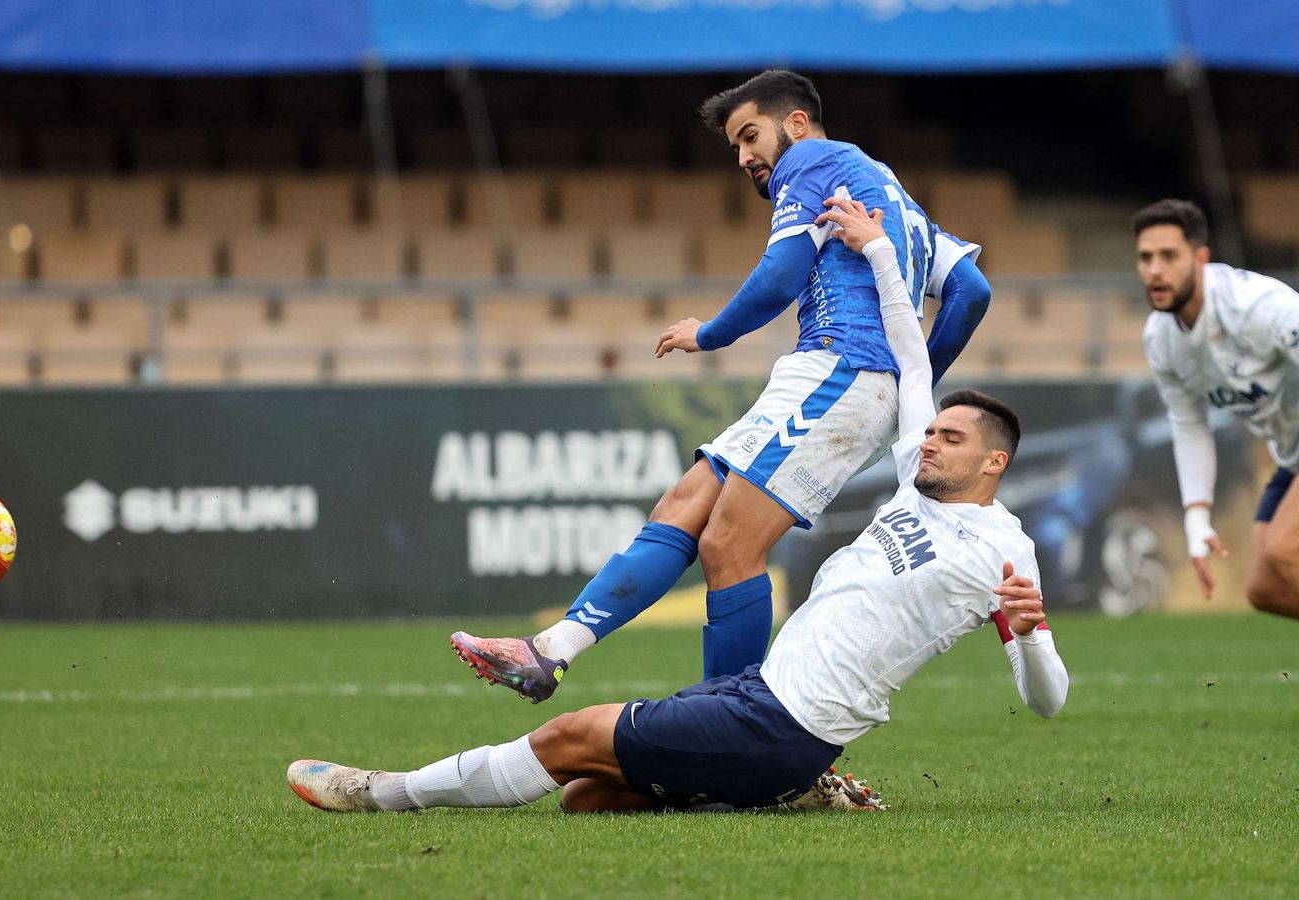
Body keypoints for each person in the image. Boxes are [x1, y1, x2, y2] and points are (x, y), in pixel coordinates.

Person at [289, 201, 1067, 815]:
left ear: (992, 463)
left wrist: (1029, 638)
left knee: (569, 734)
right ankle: (772, 795)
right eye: (930, 431)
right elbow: (905, 351)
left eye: (950, 438)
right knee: (588, 796)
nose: (928, 442)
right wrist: (880, 253)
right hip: (760, 697)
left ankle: (383, 792)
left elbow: (1048, 700)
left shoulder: (1004, 554)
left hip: (788, 724)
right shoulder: (911, 479)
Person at [451, 70, 994, 701]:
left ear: (795, 124)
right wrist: (913, 377)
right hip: (838, 377)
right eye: (735, 146)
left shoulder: (813, 161)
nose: (743, 158)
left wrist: (710, 333)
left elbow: (781, 274)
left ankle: (727, 731)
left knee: (729, 545)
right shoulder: (896, 196)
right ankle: (551, 651)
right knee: (685, 503)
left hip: (841, 371)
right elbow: (970, 291)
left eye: (749, 136)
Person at [1135, 199, 1299, 619]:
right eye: (1145, 257)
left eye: (1169, 256)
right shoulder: (1160, 339)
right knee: (1266, 588)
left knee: (1282, 552)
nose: (1155, 269)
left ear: (1201, 258)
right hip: (1291, 456)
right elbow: (1190, 426)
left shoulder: (1263, 309)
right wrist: (1197, 516)